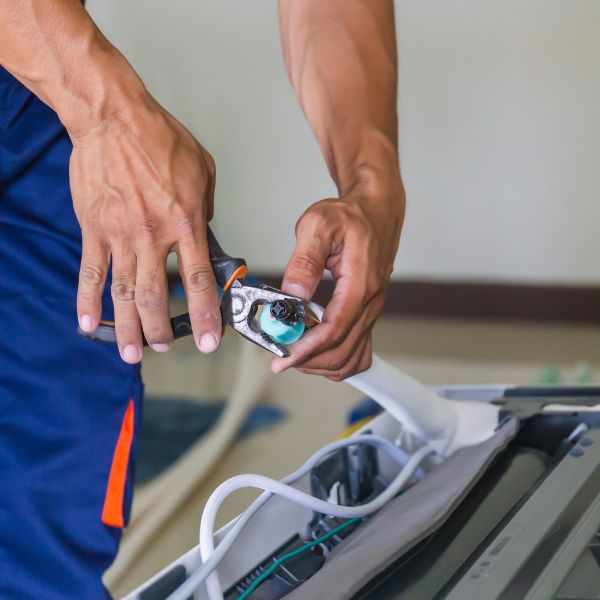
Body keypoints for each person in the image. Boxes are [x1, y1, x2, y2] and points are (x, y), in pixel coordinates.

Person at [0, 0, 404, 597]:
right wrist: (108, 111)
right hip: (65, 81)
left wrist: (372, 183)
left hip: (36, 101)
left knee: (53, 485)